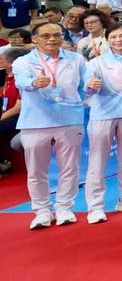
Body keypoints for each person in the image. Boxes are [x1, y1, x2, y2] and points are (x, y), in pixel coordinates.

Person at [14, 20, 84, 229]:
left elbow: (85, 85)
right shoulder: (23, 62)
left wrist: (80, 101)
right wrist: (34, 83)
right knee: (36, 170)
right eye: (46, 36)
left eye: (57, 35)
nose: (52, 39)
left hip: (69, 119)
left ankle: (65, 208)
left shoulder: (76, 59)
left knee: (70, 167)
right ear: (34, 39)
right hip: (35, 121)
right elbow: (21, 81)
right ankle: (42, 210)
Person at [81, 24, 122, 223]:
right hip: (103, 115)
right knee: (98, 160)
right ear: (107, 39)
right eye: (114, 37)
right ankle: (95, 207)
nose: (119, 40)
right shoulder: (96, 63)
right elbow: (87, 87)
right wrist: (91, 86)